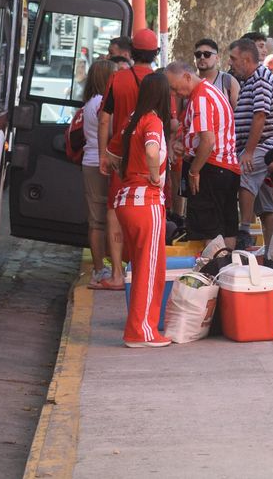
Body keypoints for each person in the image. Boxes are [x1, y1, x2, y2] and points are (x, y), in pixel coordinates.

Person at [112, 71, 175, 348]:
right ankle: (142, 331)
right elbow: (152, 151)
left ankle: (137, 328)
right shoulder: (153, 121)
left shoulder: (130, 120)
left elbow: (110, 157)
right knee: (151, 270)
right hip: (146, 202)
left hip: (125, 200)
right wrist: (152, 175)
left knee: (140, 268)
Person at [100, 28, 162, 282]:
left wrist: (103, 153)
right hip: (152, 159)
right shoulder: (161, 81)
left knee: (115, 212)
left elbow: (105, 119)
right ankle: (141, 272)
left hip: (122, 159)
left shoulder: (118, 79)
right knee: (148, 217)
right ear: (155, 53)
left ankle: (116, 273)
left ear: (132, 52)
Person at [165, 61, 241, 246]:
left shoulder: (201, 97)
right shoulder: (209, 91)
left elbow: (208, 140)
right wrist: (185, 146)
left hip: (212, 168)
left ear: (187, 77)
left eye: (175, 88)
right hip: (227, 168)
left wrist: (194, 171)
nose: (174, 94)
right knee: (227, 227)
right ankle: (225, 269)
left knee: (209, 230)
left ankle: (212, 271)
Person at [228, 38, 273, 256]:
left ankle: (243, 230)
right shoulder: (251, 79)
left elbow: (260, 116)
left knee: (244, 172)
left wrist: (249, 151)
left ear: (245, 59)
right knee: (266, 206)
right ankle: (271, 256)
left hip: (266, 143)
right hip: (258, 144)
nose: (231, 63)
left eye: (234, 59)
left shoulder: (261, 79)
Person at [80, 59, 120, 289]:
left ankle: (102, 266)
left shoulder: (91, 102)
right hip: (99, 163)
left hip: (91, 162)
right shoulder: (101, 104)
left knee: (98, 219)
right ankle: (100, 269)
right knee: (100, 219)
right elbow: (112, 129)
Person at [193, 38, 240, 109]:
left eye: (207, 54)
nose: (202, 57)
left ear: (217, 58)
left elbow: (238, 113)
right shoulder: (187, 81)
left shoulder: (228, 81)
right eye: (198, 54)